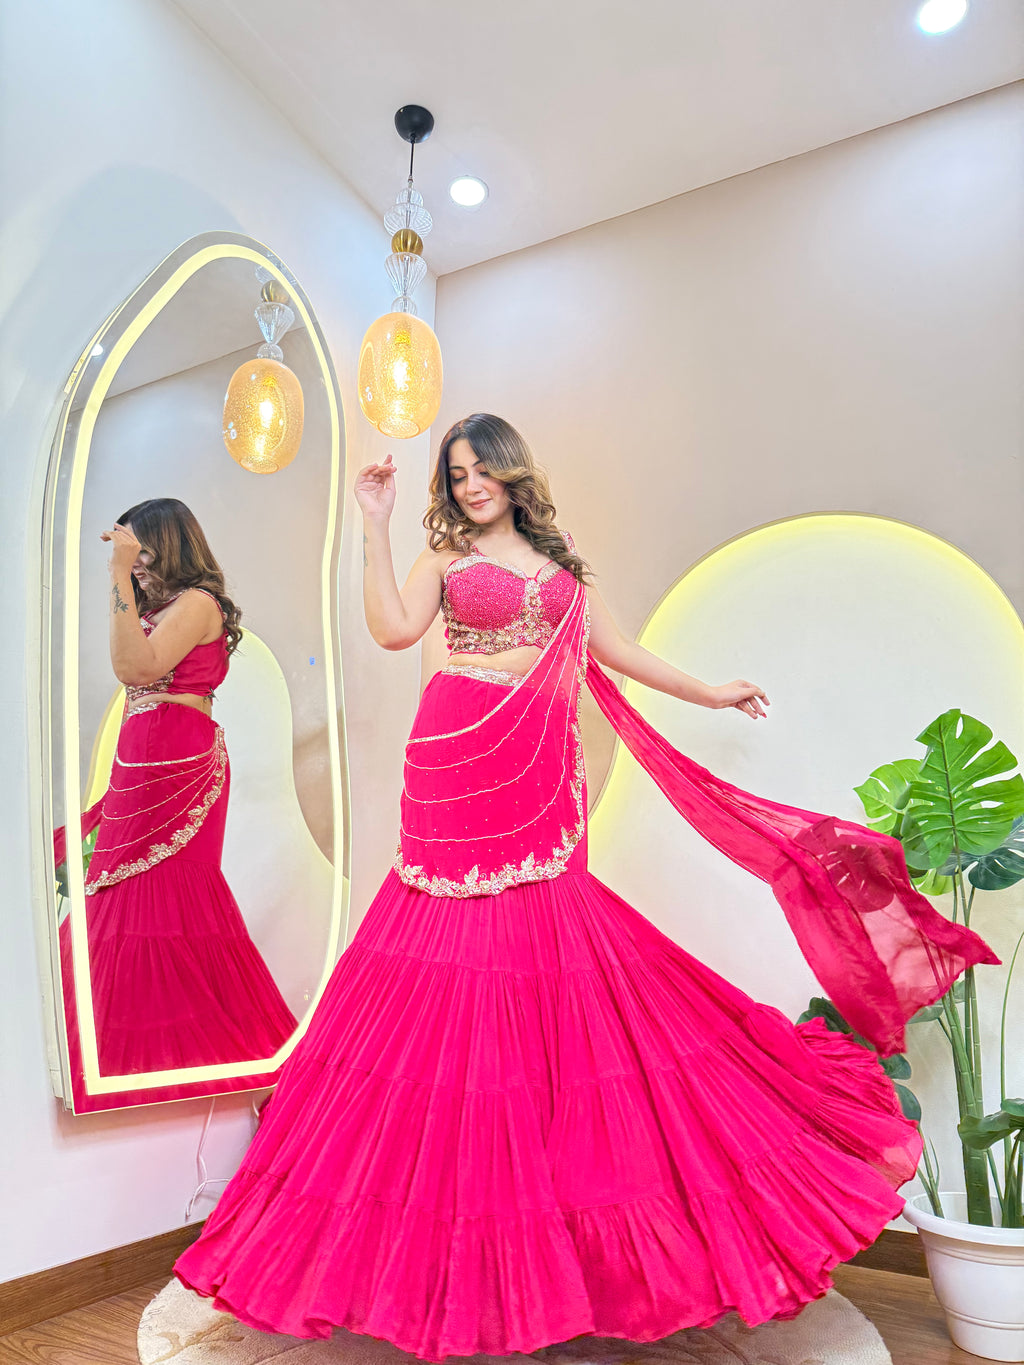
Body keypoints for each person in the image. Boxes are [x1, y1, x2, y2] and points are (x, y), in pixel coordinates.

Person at [175, 416, 995, 1358]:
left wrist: (709, 691)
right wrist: (376, 519)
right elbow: (395, 631)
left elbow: (618, 652)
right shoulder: (443, 558)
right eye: (458, 471)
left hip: (533, 769)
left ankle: (557, 1217)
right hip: (454, 754)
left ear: (515, 471)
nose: (472, 482)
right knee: (446, 964)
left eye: (483, 467)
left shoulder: (568, 566)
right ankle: (438, 1244)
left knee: (547, 957)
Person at [57, 497, 296, 1110]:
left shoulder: (196, 604)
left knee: (167, 897)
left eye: (138, 548)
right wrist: (124, 585)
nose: (130, 560)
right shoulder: (163, 607)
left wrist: (115, 579)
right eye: (125, 551)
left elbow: (134, 668)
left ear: (167, 545)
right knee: (125, 897)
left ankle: (198, 1066)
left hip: (176, 757)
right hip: (143, 753)